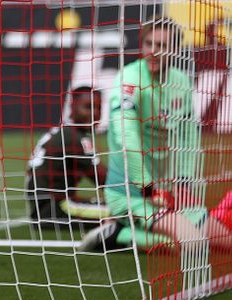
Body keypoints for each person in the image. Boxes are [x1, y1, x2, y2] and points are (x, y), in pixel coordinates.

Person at [81, 17, 232, 253]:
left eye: (162, 46)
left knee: (225, 243)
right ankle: (119, 234)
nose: (153, 51)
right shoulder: (129, 79)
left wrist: (183, 180)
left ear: (175, 50)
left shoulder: (180, 81)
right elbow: (126, 138)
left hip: (167, 191)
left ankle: (126, 230)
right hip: (131, 192)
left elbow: (187, 134)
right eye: (149, 43)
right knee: (193, 246)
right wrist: (148, 187)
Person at [25, 86, 109, 229]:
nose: (95, 113)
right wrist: (144, 193)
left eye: (99, 108)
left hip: (45, 208)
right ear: (72, 106)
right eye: (88, 107)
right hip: (56, 210)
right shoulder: (74, 137)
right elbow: (104, 180)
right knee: (125, 211)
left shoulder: (62, 131)